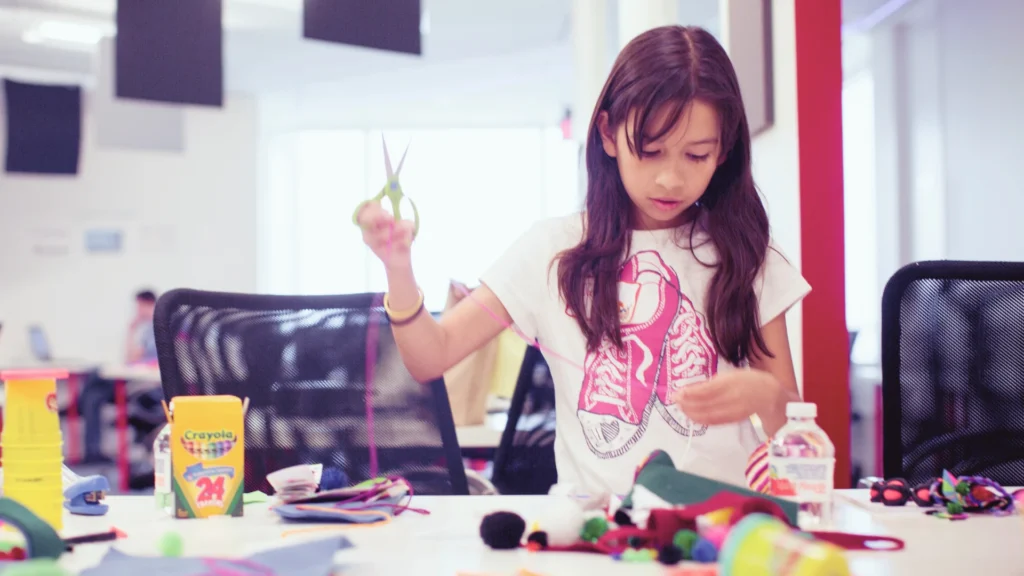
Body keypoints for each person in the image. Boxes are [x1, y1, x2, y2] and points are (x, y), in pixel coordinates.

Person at [357, 26, 811, 495]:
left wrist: (769, 396)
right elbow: (431, 357)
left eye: (697, 155)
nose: (671, 179)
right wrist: (398, 267)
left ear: (724, 150)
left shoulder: (743, 253)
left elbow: (798, 443)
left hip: (726, 533)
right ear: (609, 135)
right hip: (595, 536)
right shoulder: (554, 251)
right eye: (650, 151)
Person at [80, 289, 159, 463]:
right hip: (135, 378)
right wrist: (131, 330)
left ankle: (78, 404)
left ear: (147, 304)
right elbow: (130, 359)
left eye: (139, 306)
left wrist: (133, 331)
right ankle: (92, 453)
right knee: (93, 396)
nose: (137, 311)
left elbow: (138, 359)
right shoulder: (146, 329)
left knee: (94, 378)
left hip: (145, 385)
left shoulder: (159, 326)